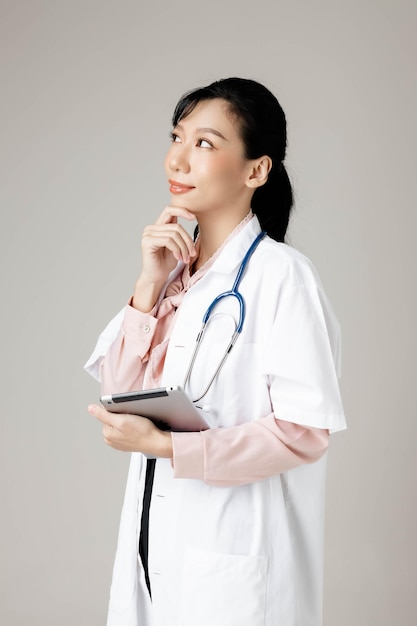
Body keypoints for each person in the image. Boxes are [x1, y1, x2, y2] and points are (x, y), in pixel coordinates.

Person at [84, 77, 346, 626]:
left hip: (233, 559)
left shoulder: (282, 278)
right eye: (176, 137)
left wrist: (170, 448)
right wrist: (148, 288)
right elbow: (119, 391)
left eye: (204, 143)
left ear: (256, 171)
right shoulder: (177, 277)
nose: (178, 158)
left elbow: (304, 433)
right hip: (156, 550)